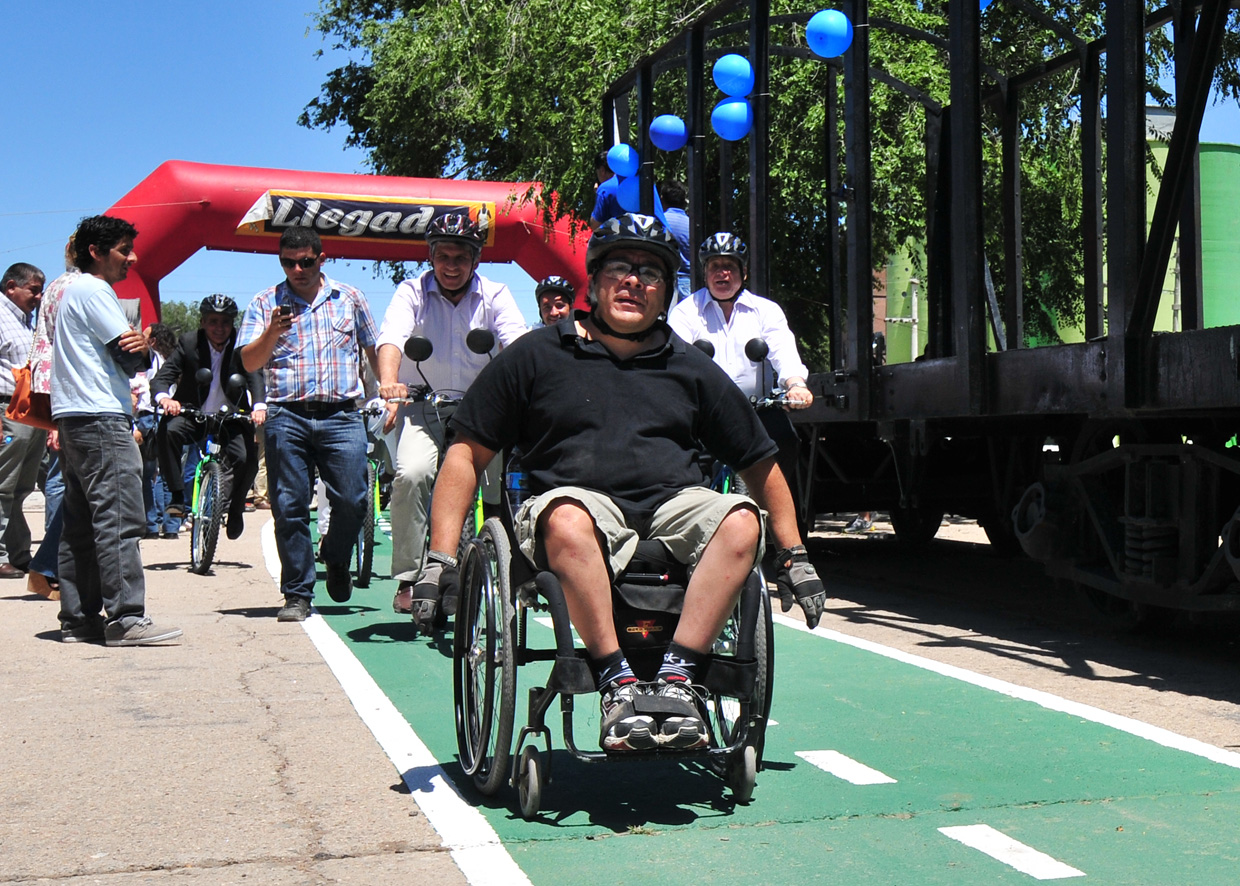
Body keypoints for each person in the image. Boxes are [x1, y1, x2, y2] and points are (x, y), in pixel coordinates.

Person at [424, 213, 826, 751]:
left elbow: (760, 461)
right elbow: (465, 454)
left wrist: (795, 554)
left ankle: (679, 681)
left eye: (650, 273)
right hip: (573, 505)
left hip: (671, 504)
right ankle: (617, 683)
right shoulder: (538, 355)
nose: (634, 280)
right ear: (594, 279)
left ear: (665, 295)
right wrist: (440, 560)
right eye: (620, 267)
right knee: (567, 516)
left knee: (739, 519)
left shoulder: (689, 365)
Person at [375, 212, 527, 623]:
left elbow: (517, 344)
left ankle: (504, 567)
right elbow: (390, 338)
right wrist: (390, 382)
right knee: (411, 474)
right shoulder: (411, 291)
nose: (451, 265)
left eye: (461, 257)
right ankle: (411, 575)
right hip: (422, 405)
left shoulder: (495, 294)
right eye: (443, 256)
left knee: (500, 489)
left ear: (475, 259)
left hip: (482, 410)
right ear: (431, 256)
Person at [238, 227, 379, 622]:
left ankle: (335, 558)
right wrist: (271, 332)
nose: (297, 269)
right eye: (288, 262)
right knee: (289, 505)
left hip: (341, 414)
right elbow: (249, 362)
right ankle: (297, 593)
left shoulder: (349, 298)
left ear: (322, 258)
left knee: (354, 499)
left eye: (306, 261)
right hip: (287, 415)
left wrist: (383, 391)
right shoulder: (265, 302)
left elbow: (373, 346)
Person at [52, 214, 181, 646]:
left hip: (72, 416)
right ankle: (126, 617)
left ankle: (78, 618)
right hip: (101, 415)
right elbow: (129, 358)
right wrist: (143, 347)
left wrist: (138, 347)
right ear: (96, 252)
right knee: (121, 516)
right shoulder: (95, 290)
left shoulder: (70, 292)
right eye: (124, 249)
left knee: (81, 520)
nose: (133, 257)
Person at [668, 232, 813, 528]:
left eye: (730, 267)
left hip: (756, 410)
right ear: (704, 272)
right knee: (681, 460)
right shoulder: (686, 313)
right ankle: (689, 525)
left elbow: (783, 349)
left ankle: (785, 534)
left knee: (786, 441)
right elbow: (673, 360)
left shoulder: (765, 310)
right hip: (705, 416)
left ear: (743, 272)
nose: (722, 273)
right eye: (714, 266)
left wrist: (796, 384)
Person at [153, 295, 265, 541]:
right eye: (213, 321)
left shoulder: (241, 344)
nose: (219, 327)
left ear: (232, 324)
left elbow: (255, 375)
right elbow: (163, 377)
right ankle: (177, 496)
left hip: (232, 415)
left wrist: (259, 405)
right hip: (194, 413)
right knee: (169, 431)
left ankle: (235, 507)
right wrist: (165, 398)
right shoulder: (189, 342)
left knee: (246, 458)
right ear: (203, 322)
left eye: (225, 322)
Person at [26, 238, 79, 600]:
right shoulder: (75, 289)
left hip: (59, 396)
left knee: (80, 489)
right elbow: (63, 350)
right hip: (68, 399)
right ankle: (46, 567)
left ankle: (51, 567)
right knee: (76, 489)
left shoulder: (59, 288)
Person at [0, 262, 46, 579]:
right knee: (2, 487)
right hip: (6, 411)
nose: (39, 296)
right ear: (12, 286)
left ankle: (18, 554)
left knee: (20, 489)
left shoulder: (30, 322)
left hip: (33, 413)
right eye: (33, 289)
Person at [657, 180, 693, 303]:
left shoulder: (660, 223)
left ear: (662, 199)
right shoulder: (692, 225)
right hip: (689, 283)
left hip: (666, 281)